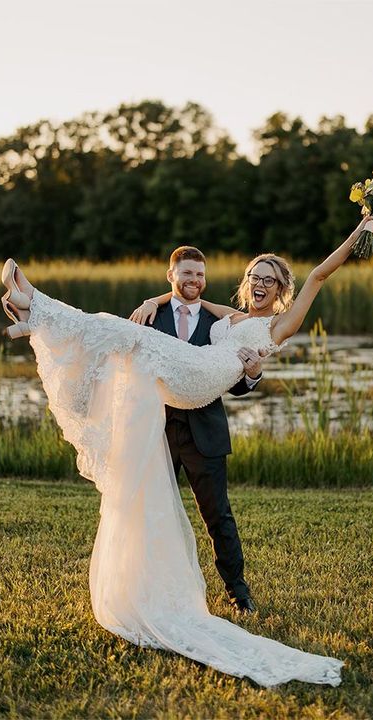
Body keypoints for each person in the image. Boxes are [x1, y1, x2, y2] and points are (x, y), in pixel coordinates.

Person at [0, 214, 373, 687]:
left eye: (270, 279)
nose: (261, 283)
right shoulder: (231, 316)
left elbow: (321, 274)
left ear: (283, 288)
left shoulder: (280, 324)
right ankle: (34, 318)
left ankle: (34, 307)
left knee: (131, 338)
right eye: (255, 276)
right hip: (184, 382)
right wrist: (153, 297)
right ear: (247, 283)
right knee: (126, 338)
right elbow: (183, 293)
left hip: (200, 380)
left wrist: (361, 229)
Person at [130, 245, 262, 615]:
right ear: (171, 275)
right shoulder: (147, 317)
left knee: (218, 516)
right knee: (151, 513)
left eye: (200, 274)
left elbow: (232, 381)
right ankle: (148, 588)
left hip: (206, 433)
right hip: (157, 432)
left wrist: (253, 375)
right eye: (187, 273)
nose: (194, 280)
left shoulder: (219, 325)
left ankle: (238, 592)